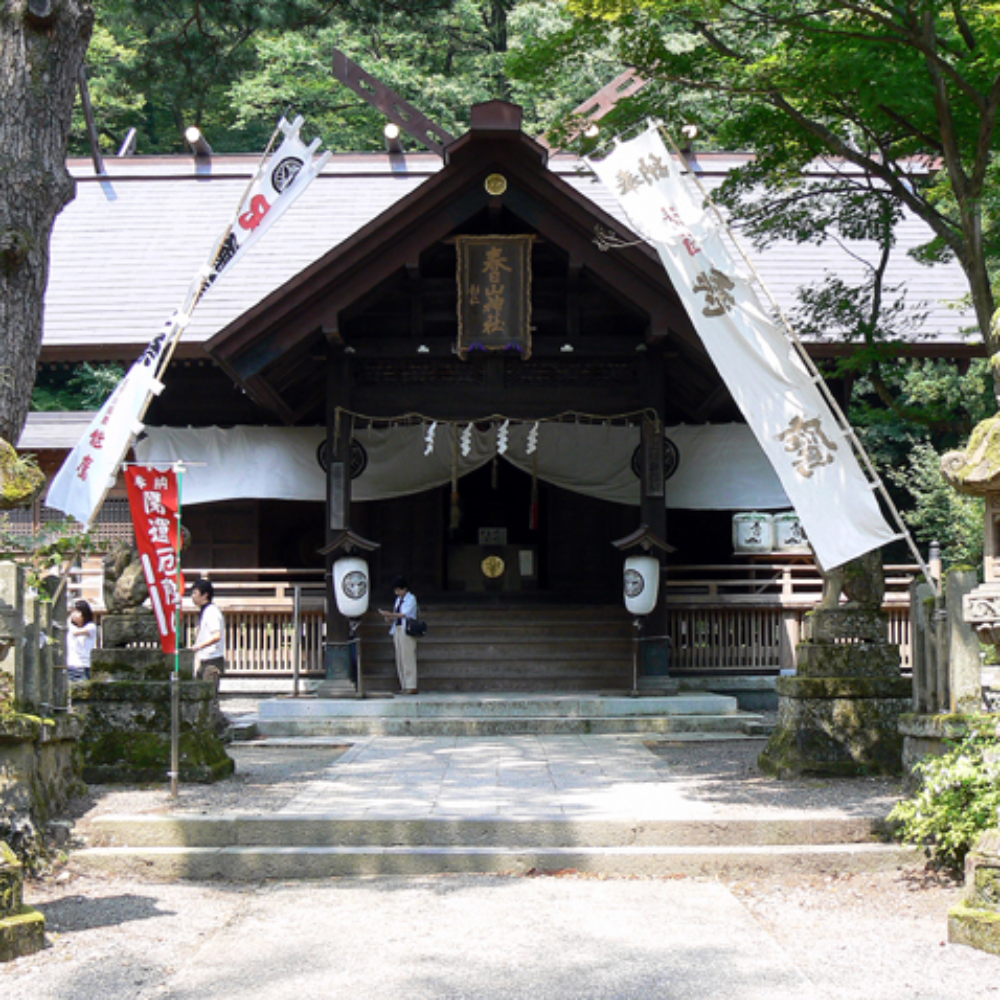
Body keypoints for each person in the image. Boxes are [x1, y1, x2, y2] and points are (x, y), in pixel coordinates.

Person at [378, 576, 418, 694]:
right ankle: (404, 685)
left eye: (399, 590)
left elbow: (404, 614)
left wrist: (392, 614)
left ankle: (411, 685)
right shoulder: (398, 600)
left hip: (407, 630)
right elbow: (397, 615)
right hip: (398, 629)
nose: (397, 592)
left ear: (405, 589)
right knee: (400, 658)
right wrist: (389, 617)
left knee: (408, 658)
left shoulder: (411, 599)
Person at [190, 578, 226, 689]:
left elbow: (216, 635)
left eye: (195, 593)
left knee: (210, 698)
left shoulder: (212, 612)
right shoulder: (206, 611)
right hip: (205, 660)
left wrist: (198, 646)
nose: (193, 596)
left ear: (205, 595)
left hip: (212, 660)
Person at [66, 599, 97, 684]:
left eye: (78, 612)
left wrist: (68, 622)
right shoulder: (70, 627)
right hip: (71, 665)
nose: (75, 615)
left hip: (84, 666)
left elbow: (76, 632)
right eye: (74, 612)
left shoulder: (91, 627)